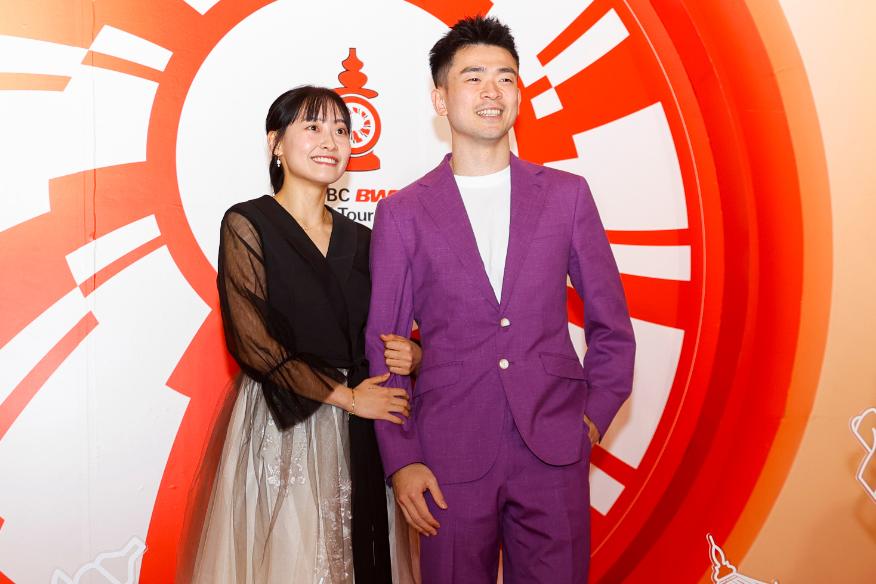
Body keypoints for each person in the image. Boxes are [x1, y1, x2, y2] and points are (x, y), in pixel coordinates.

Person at [365, 16, 636, 584]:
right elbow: (384, 345)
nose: (492, 90)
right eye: (473, 77)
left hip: (553, 447)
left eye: (506, 77)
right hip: (447, 453)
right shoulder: (402, 213)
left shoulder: (566, 196)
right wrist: (403, 457)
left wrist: (591, 418)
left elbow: (611, 324)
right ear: (440, 99)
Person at [192, 86, 420, 584]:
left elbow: (392, 327)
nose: (330, 141)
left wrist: (414, 353)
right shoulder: (248, 222)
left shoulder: (366, 238)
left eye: (341, 130)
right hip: (287, 420)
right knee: (296, 560)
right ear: (275, 143)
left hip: (365, 422)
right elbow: (253, 343)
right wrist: (348, 398)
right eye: (312, 127)